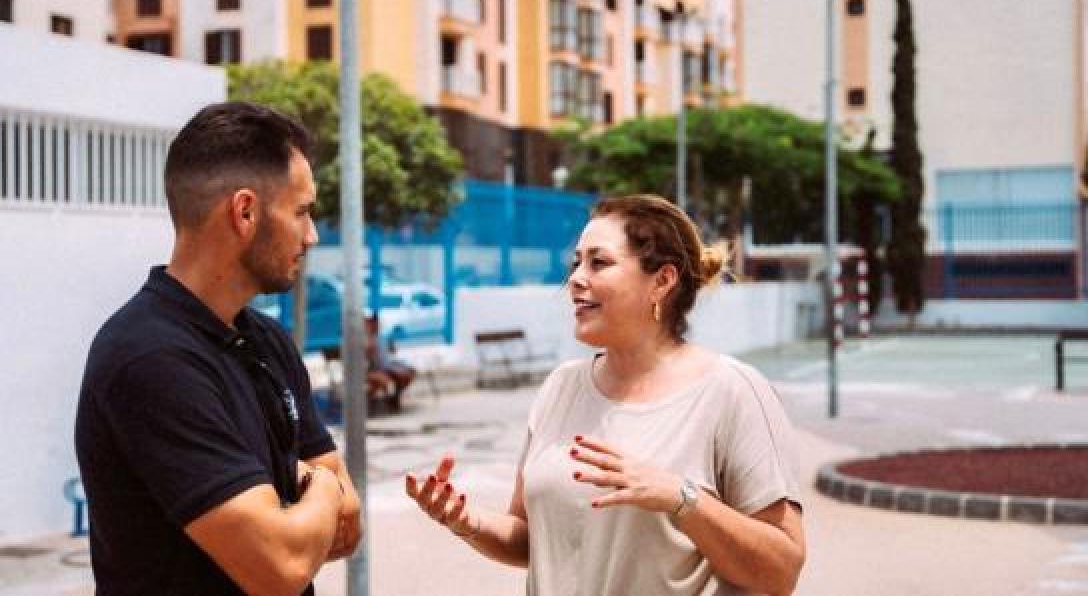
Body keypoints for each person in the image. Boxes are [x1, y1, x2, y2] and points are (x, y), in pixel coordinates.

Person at [406, 194, 806, 596]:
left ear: (662, 281)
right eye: (576, 262)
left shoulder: (731, 391)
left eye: (599, 262)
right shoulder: (561, 387)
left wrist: (682, 500)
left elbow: (781, 570)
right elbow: (532, 538)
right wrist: (465, 521)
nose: (576, 279)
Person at [75, 102, 361, 596]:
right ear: (244, 211)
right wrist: (326, 487)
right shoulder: (149, 358)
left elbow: (347, 527)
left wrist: (311, 498)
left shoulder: (268, 342)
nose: (312, 235)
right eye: (301, 211)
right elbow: (283, 566)